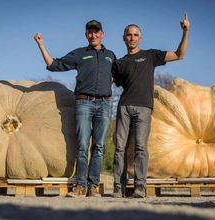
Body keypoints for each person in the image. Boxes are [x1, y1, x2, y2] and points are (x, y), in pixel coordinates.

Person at [34, 20, 116, 197]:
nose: (93, 35)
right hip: (83, 103)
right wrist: (41, 45)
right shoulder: (80, 54)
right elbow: (54, 65)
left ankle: (93, 186)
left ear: (102, 34)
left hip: (104, 104)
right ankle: (80, 186)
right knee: (82, 145)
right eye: (89, 32)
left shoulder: (110, 55)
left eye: (96, 32)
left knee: (99, 146)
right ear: (86, 35)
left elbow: (117, 76)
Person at [111, 13, 190, 198]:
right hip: (124, 107)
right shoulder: (119, 63)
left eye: (135, 35)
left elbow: (180, 55)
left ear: (140, 38)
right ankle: (118, 188)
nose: (132, 38)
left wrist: (185, 32)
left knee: (140, 148)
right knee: (119, 149)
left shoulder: (150, 55)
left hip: (144, 108)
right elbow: (106, 80)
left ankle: (140, 187)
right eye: (129, 35)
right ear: (124, 38)